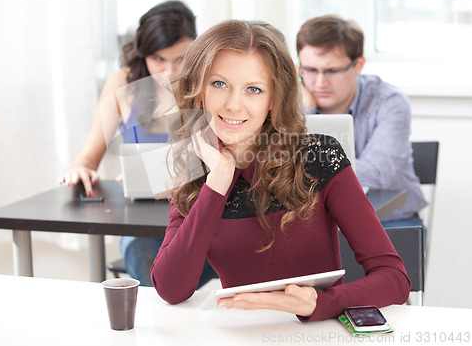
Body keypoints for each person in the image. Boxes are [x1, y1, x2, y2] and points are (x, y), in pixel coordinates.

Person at [150, 19, 410, 321]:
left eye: (254, 89)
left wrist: (320, 303)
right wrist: (217, 183)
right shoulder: (197, 174)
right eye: (219, 84)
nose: (234, 105)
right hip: (239, 336)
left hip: (315, 335)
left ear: (274, 98)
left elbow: (394, 279)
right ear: (199, 90)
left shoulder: (319, 157)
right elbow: (171, 288)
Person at [59, 0, 216, 286]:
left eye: (181, 58)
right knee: (148, 257)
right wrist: (80, 169)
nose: (169, 71)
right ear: (142, 54)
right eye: (158, 59)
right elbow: (87, 158)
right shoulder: (121, 83)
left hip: (201, 213)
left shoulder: (210, 83)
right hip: (144, 223)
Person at [296, 15, 427, 229]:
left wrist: (310, 170)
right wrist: (306, 110)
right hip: (322, 226)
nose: (319, 82)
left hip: (390, 222)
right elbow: (283, 169)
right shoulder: (295, 102)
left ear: (358, 65)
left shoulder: (389, 101)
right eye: (310, 70)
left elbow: (377, 173)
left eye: (332, 71)